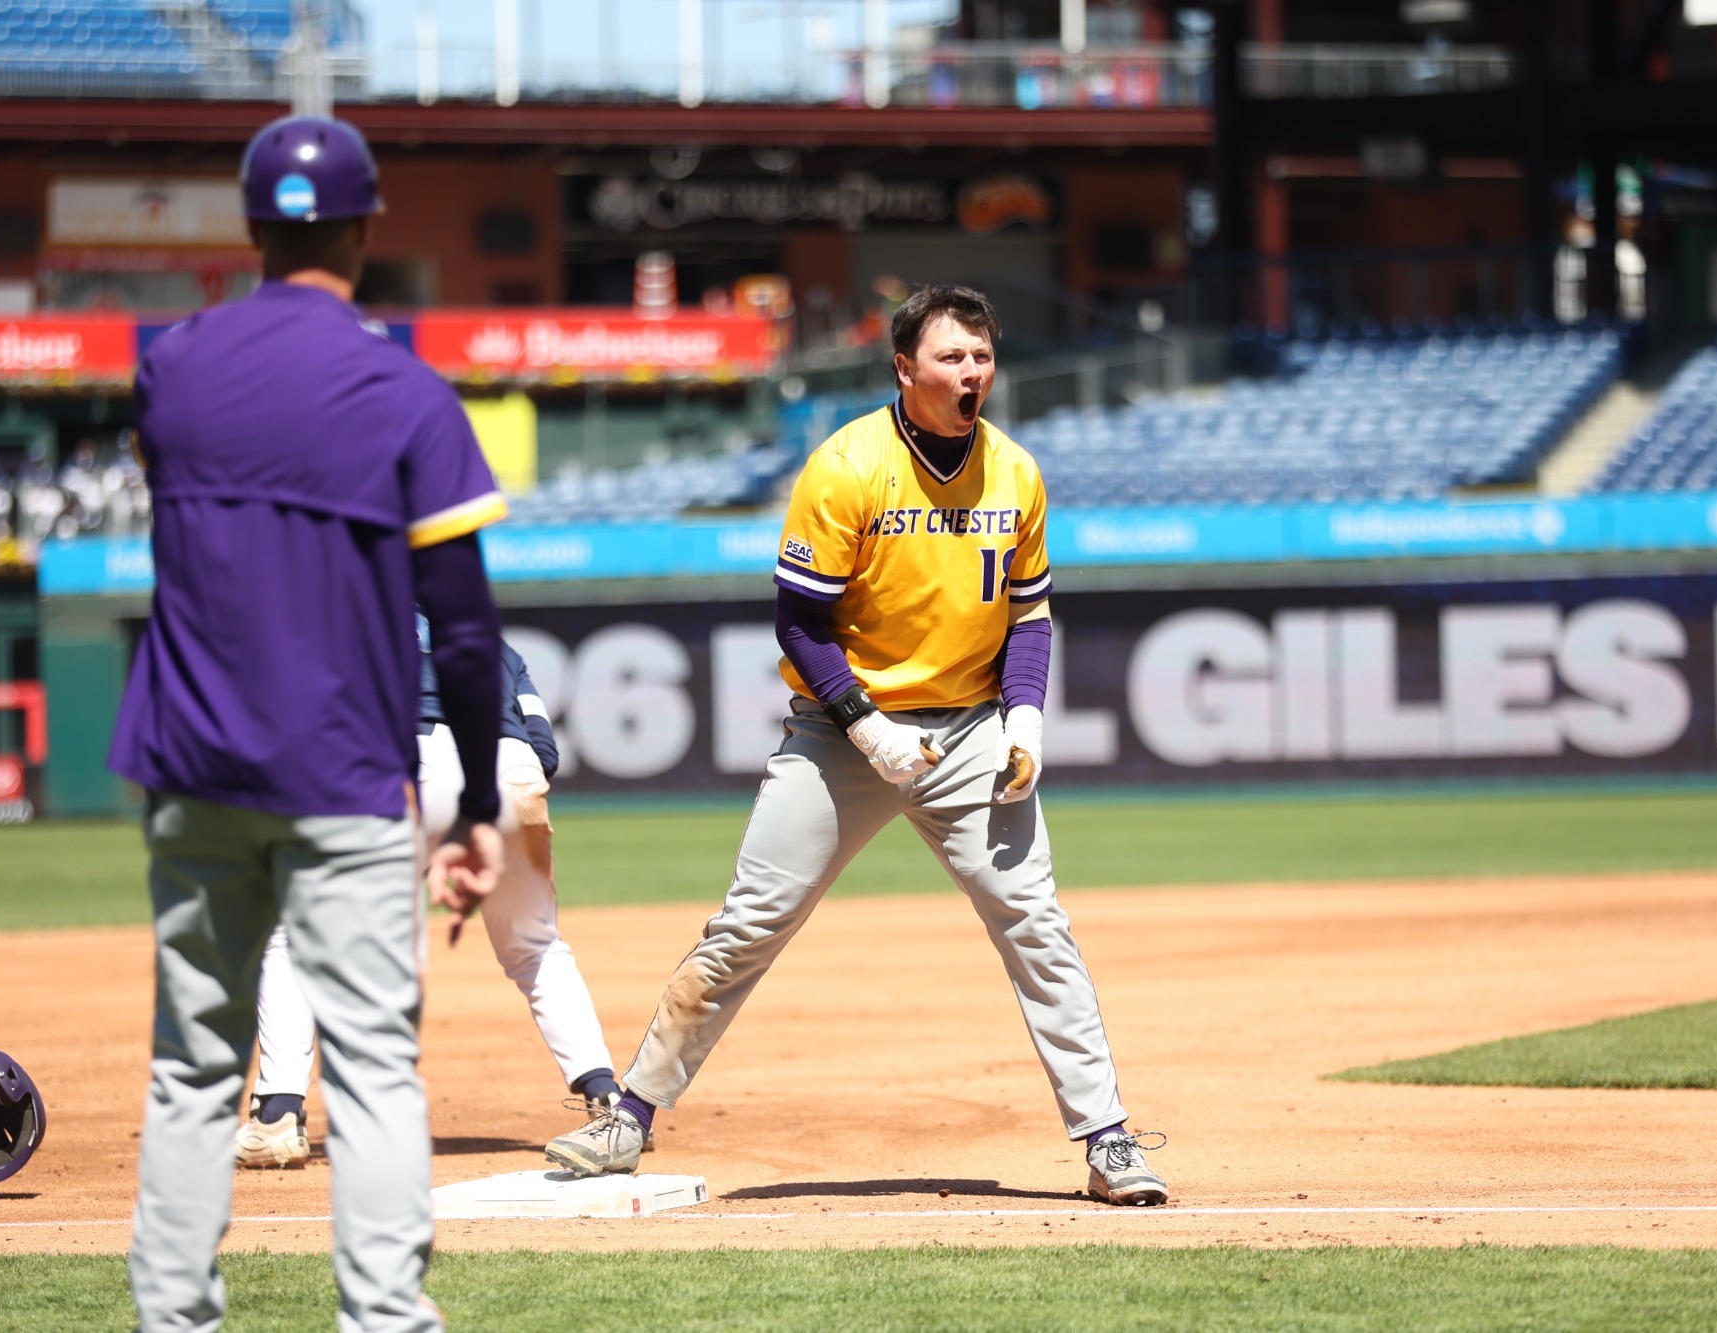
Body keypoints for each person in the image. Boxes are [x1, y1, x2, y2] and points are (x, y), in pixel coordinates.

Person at [544, 285, 1169, 1207]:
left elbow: (1028, 614)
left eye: (983, 357)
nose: (972, 373)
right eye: (953, 357)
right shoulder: (847, 466)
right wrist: (863, 722)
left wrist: (1024, 716)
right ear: (904, 368)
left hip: (968, 734)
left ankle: (1108, 1140)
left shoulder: (1016, 471)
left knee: (1038, 928)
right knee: (751, 923)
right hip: (845, 734)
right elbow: (799, 623)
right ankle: (628, 1117)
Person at [112, 114, 510, 1332]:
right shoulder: (402, 389)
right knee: (375, 1067)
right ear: (365, 223)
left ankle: (172, 1318)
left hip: (189, 759)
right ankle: (384, 1320)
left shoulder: (169, 364)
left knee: (193, 1067)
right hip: (338, 768)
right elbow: (465, 633)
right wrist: (478, 802)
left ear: (249, 223)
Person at [233, 624, 629, 1169]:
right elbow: (546, 752)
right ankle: (608, 1099)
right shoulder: (495, 642)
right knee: (537, 947)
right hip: (510, 774)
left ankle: (278, 1113)